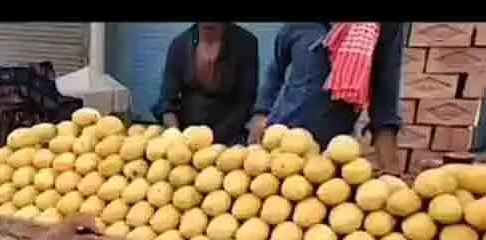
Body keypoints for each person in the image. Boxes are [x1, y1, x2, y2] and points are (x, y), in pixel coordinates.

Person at [249, 22, 405, 173]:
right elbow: (275, 71)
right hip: (282, 141)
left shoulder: (384, 26)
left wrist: (389, 165)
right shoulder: (297, 26)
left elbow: (385, 95)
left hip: (333, 153)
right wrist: (260, 114)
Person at [152, 22, 259, 145]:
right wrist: (174, 134)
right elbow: (167, 100)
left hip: (232, 137)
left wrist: (214, 139)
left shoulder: (246, 43)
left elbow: (246, 100)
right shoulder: (179, 45)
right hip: (188, 137)